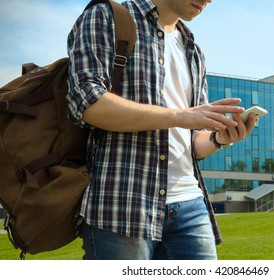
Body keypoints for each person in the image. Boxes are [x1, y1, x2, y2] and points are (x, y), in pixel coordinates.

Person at [66, 0, 258, 260]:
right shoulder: (107, 17)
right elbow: (87, 103)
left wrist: (218, 139)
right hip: (123, 205)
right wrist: (180, 116)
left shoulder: (193, 50)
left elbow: (194, 143)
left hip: (190, 204)